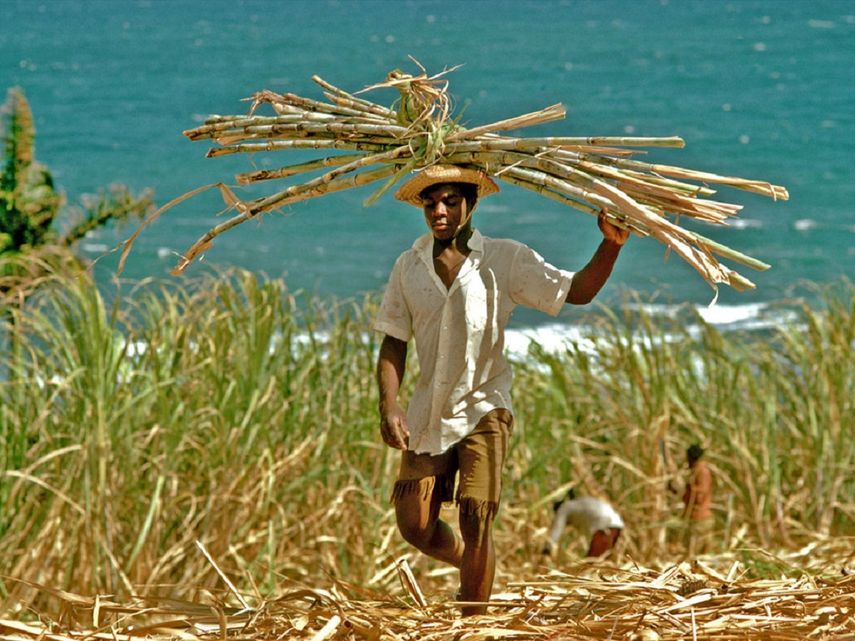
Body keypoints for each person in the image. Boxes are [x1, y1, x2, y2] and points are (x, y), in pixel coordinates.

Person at [375, 164, 628, 616]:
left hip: (486, 405)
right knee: (414, 525)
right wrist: (389, 405)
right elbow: (394, 341)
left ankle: (472, 620)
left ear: (471, 204)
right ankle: (465, 563)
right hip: (428, 411)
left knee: (476, 513)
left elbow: (577, 291)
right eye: (431, 203)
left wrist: (610, 244)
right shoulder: (407, 266)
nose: (439, 211)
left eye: (450, 201)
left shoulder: (504, 260)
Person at [541, 489, 624, 558]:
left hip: (604, 527)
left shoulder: (564, 508)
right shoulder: (580, 502)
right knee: (600, 562)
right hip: (616, 525)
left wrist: (547, 548)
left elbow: (557, 529)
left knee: (591, 564)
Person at [680, 443, 714, 556]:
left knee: (695, 556)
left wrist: (688, 488)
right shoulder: (696, 471)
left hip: (700, 520)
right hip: (697, 519)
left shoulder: (702, 472)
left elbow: (700, 495)